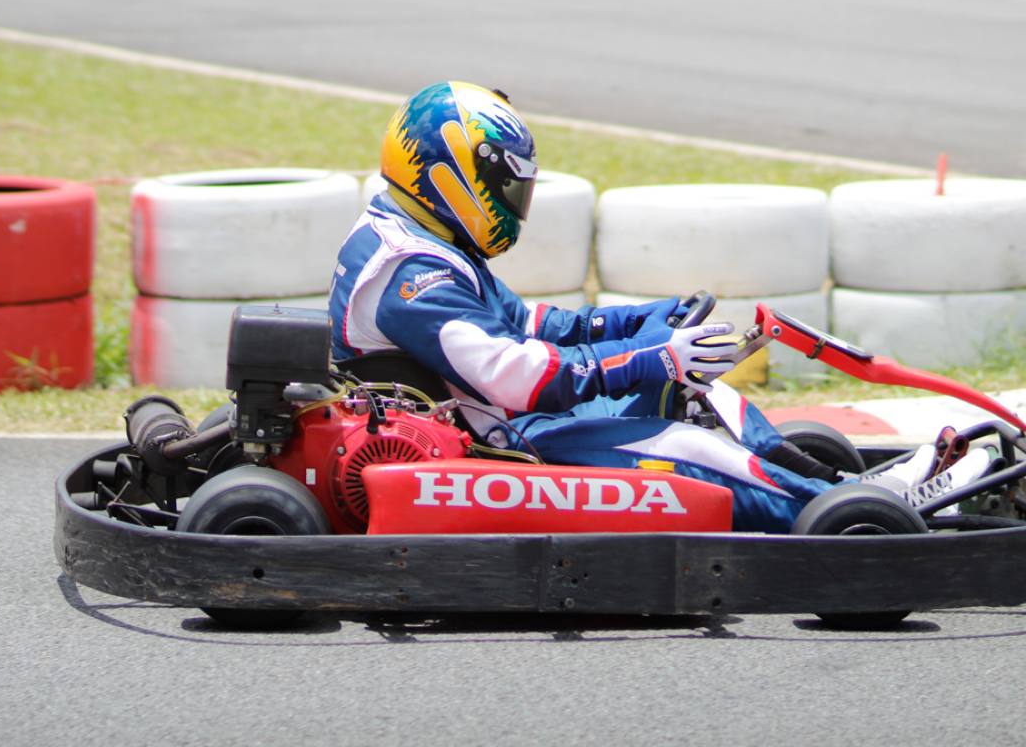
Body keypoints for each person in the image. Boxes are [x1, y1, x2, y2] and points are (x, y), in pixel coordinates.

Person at [328, 80, 992, 532]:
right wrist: (652, 358)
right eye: (505, 186)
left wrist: (647, 319)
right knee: (683, 444)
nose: (513, 203)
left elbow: (537, 327)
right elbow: (520, 376)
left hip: (500, 425)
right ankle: (857, 518)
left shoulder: (424, 237)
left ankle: (845, 488)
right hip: (498, 451)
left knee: (714, 402)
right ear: (454, 174)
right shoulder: (410, 274)